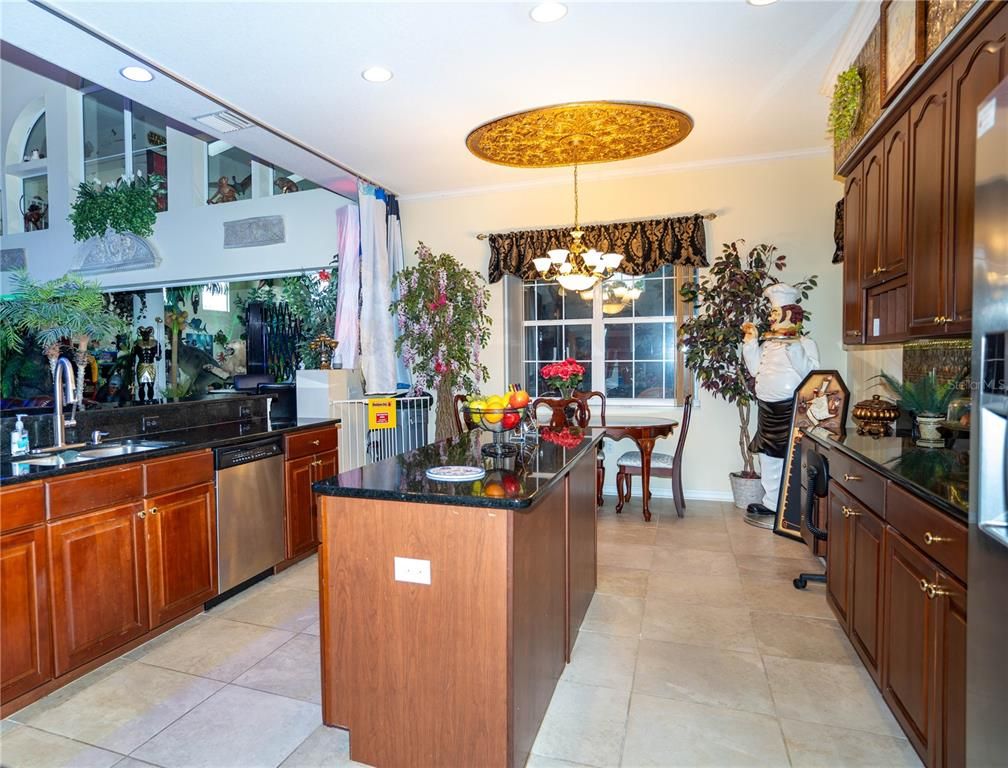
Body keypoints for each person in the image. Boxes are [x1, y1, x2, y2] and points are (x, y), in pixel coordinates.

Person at [741, 283, 820, 515]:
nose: (771, 317)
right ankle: (771, 503)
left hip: (791, 409)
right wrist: (750, 343)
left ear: (788, 315)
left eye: (775, 313)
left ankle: (792, 506)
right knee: (768, 456)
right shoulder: (767, 344)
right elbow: (754, 369)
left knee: (792, 456)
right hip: (766, 408)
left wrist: (791, 344)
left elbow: (812, 375)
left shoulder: (806, 344)